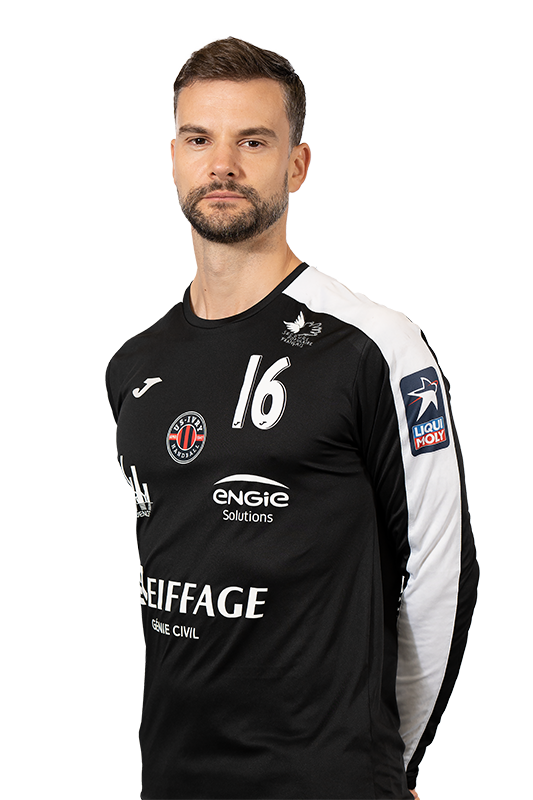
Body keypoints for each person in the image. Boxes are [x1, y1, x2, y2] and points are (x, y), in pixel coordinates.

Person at [106, 36, 479, 800]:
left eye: (252, 141)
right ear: (171, 159)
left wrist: (391, 761)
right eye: (198, 139)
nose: (222, 165)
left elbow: (441, 572)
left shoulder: (374, 345)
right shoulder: (134, 365)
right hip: (174, 779)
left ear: (297, 165)